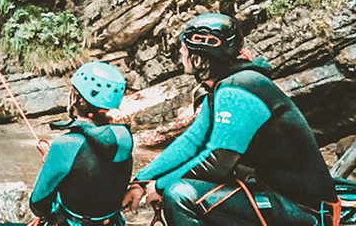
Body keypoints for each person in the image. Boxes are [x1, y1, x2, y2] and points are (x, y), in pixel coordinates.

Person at [121, 13, 340, 226]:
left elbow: (217, 161)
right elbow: (191, 142)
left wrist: (160, 186)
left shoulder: (238, 89)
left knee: (180, 193)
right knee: (181, 188)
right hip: (273, 195)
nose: (181, 51)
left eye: (185, 47)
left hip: (304, 208)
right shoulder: (224, 87)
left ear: (201, 55)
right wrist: (141, 181)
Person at [30, 61, 133, 226]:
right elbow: (96, 167)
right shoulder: (123, 136)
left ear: (79, 100)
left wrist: (54, 160)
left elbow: (38, 203)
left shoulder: (65, 145)